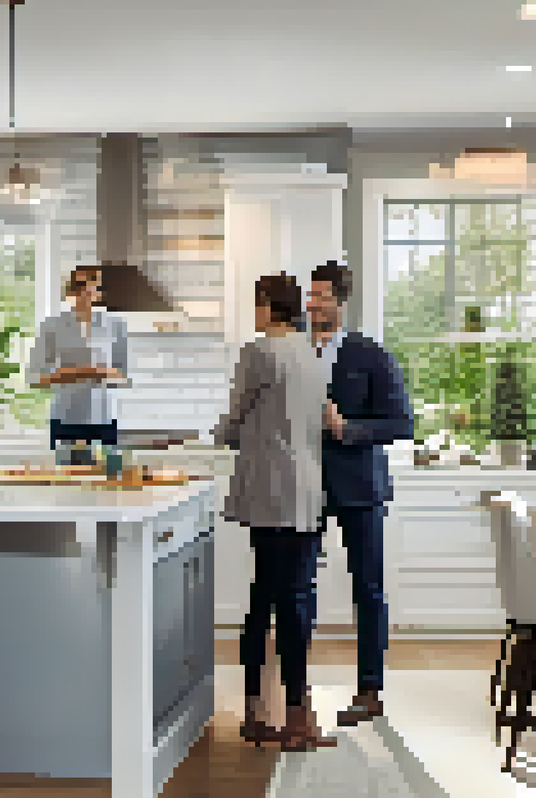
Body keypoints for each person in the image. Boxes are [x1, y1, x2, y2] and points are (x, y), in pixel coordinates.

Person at [215, 272, 335, 751]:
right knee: (293, 597)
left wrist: (217, 435)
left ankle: (267, 713)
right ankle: (290, 712)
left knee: (268, 599)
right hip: (307, 490)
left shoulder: (259, 351)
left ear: (267, 305)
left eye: (257, 302)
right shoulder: (312, 353)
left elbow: (236, 416)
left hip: (272, 492)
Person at [305, 260, 415, 727]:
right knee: (296, 590)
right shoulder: (291, 351)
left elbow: (402, 423)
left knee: (368, 590)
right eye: (310, 296)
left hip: (360, 489)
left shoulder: (370, 354)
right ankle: (296, 692)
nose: (313, 305)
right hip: (303, 485)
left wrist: (347, 428)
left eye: (322, 297)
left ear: (341, 303)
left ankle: (370, 689)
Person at [27, 265, 129, 470]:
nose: (87, 290)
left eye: (94, 284)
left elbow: (124, 376)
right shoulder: (51, 325)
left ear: (99, 291)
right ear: (70, 291)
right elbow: (34, 377)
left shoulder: (115, 325)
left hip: (104, 416)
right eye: (81, 285)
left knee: (108, 484)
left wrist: (102, 372)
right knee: (67, 484)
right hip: (66, 417)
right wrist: (77, 372)